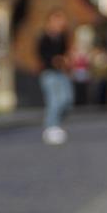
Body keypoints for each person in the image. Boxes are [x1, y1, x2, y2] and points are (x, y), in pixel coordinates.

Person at [37, 9, 74, 145]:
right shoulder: (44, 39)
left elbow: (65, 55)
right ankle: (51, 126)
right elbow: (43, 57)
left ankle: (55, 123)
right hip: (49, 74)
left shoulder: (63, 38)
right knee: (53, 101)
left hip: (61, 73)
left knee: (66, 98)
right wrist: (55, 60)